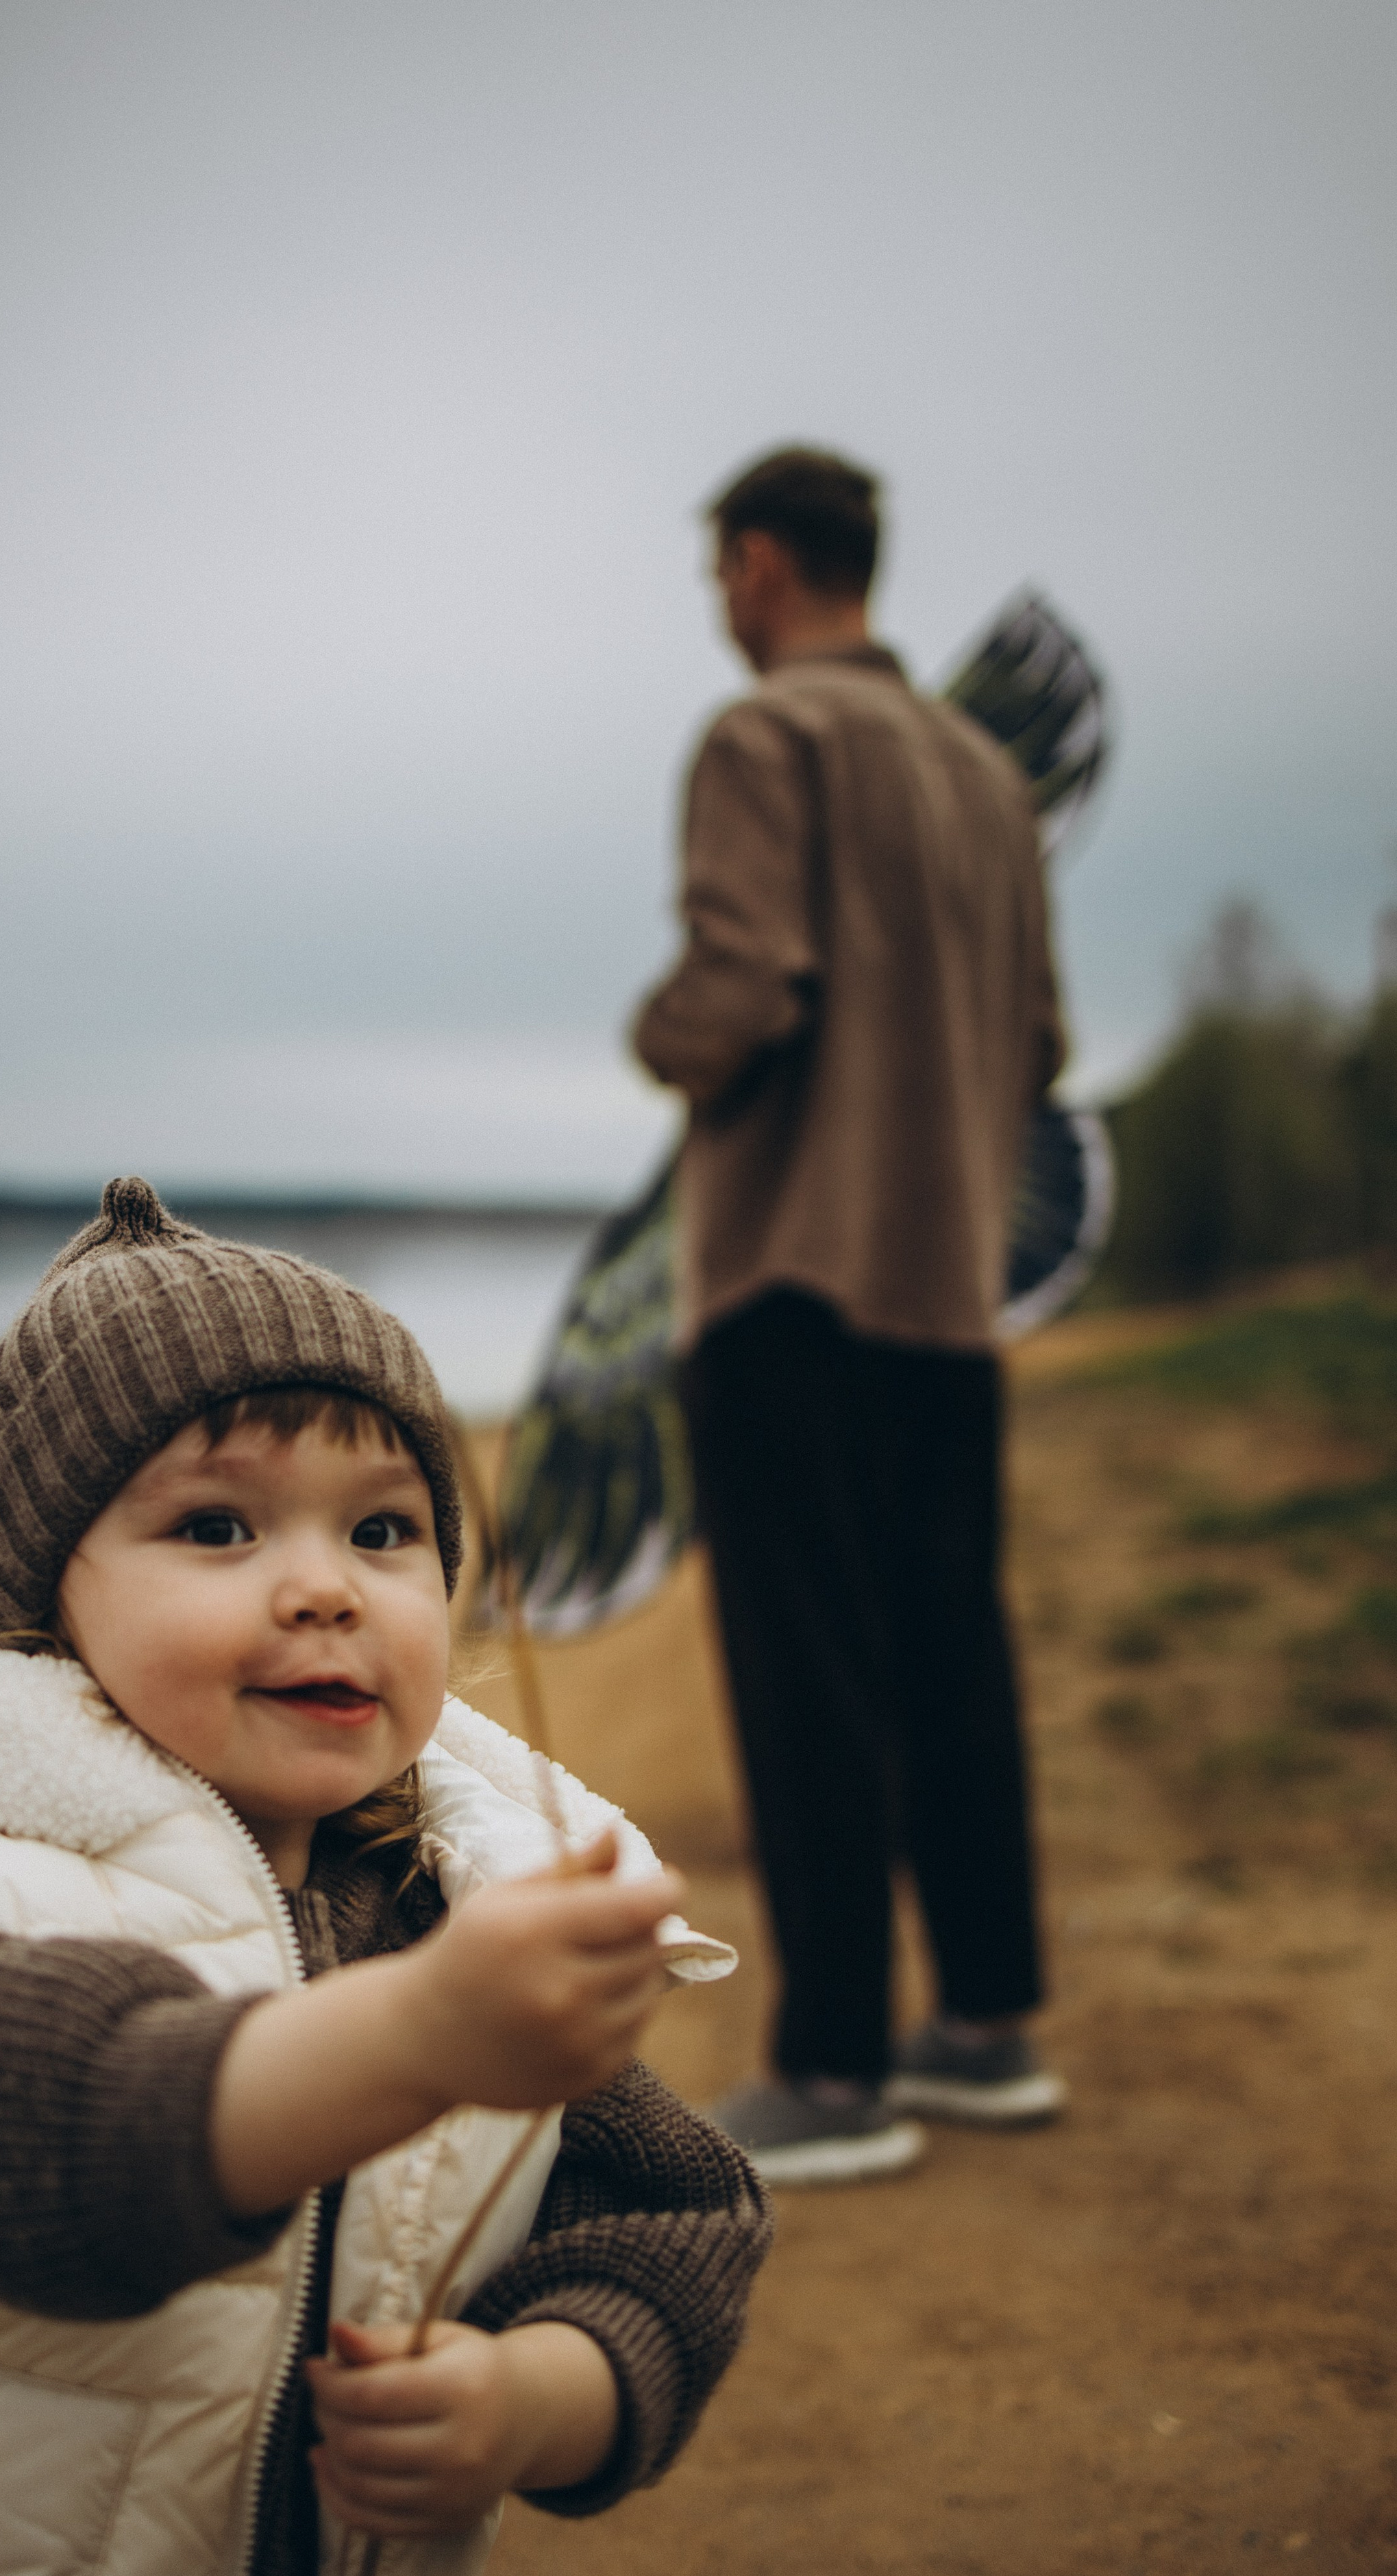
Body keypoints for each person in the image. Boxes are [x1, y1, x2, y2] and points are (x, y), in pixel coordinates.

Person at [0, 1178, 768, 2576]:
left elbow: (666, 2226)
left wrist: (531, 2399)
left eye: (381, 1532)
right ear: (42, 1608)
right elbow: (67, 2138)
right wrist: (424, 2034)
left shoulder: (441, 1911)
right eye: (215, 1528)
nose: (323, 1587)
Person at [632, 446, 1068, 2188]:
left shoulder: (764, 740)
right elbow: (1035, 1051)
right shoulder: (984, 781)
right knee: (950, 1644)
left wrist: (654, 1040)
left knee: (803, 1666)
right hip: (944, 1290)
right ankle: (981, 2027)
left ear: (754, 566)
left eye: (713, 577)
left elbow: (741, 986)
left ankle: (825, 2068)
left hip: (789, 1275)